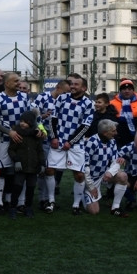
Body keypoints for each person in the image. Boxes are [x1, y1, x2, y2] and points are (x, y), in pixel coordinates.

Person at [47, 73, 94, 215]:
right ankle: (51, 201)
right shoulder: (62, 98)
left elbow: (85, 126)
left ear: (84, 88)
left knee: (79, 175)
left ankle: (76, 204)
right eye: (71, 84)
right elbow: (53, 119)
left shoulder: (88, 104)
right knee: (50, 170)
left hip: (76, 144)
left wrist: (71, 141)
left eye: (76, 84)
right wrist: (54, 137)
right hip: (58, 141)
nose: (72, 86)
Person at [0, 72, 32, 213]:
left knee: (22, 171)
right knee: (1, 171)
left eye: (19, 81)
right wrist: (10, 132)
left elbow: (30, 118)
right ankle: (0, 203)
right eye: (15, 81)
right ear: (6, 83)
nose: (19, 83)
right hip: (5, 140)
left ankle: (19, 202)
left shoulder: (25, 97)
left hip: (22, 141)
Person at [31, 78, 69, 212]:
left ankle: (49, 199)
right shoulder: (43, 97)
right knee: (44, 170)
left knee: (52, 170)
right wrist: (43, 116)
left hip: (58, 140)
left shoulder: (66, 101)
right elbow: (32, 115)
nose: (66, 95)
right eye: (64, 92)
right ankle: (43, 199)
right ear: (58, 88)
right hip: (44, 140)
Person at [83, 119, 129, 216]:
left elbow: (115, 161)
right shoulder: (92, 142)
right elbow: (84, 167)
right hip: (91, 179)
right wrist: (91, 187)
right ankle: (82, 196)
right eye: (113, 131)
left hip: (103, 175)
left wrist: (110, 173)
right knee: (94, 211)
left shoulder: (112, 141)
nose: (116, 133)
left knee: (123, 176)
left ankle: (115, 208)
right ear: (104, 133)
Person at [8, 110, 44, 218]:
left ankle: (28, 208)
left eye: (26, 121)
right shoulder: (17, 134)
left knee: (31, 189)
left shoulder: (36, 135)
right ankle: (13, 208)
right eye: (21, 121)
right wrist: (16, 160)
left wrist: (42, 163)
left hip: (33, 167)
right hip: (21, 167)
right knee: (17, 187)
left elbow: (40, 151)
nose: (23, 123)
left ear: (31, 123)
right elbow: (11, 150)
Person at [109, 79, 137, 147]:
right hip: (117, 138)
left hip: (135, 138)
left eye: (129, 89)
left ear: (133, 90)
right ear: (120, 91)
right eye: (124, 89)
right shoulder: (112, 104)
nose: (127, 91)